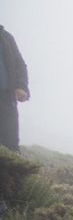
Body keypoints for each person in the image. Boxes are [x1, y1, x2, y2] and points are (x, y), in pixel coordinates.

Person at [0, 25, 29, 153]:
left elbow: (19, 63)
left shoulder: (5, 37)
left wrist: (21, 86)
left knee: (11, 146)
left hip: (7, 98)